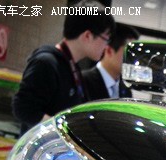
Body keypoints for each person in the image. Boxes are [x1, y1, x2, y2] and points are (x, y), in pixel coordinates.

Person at [11, 2, 114, 135]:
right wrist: (62, 130)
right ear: (87, 36)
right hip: (44, 146)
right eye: (106, 39)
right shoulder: (46, 63)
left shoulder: (71, 66)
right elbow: (23, 108)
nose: (106, 46)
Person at [81, 23, 140, 101]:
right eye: (129, 54)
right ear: (109, 51)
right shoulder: (83, 81)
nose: (133, 60)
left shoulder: (126, 90)